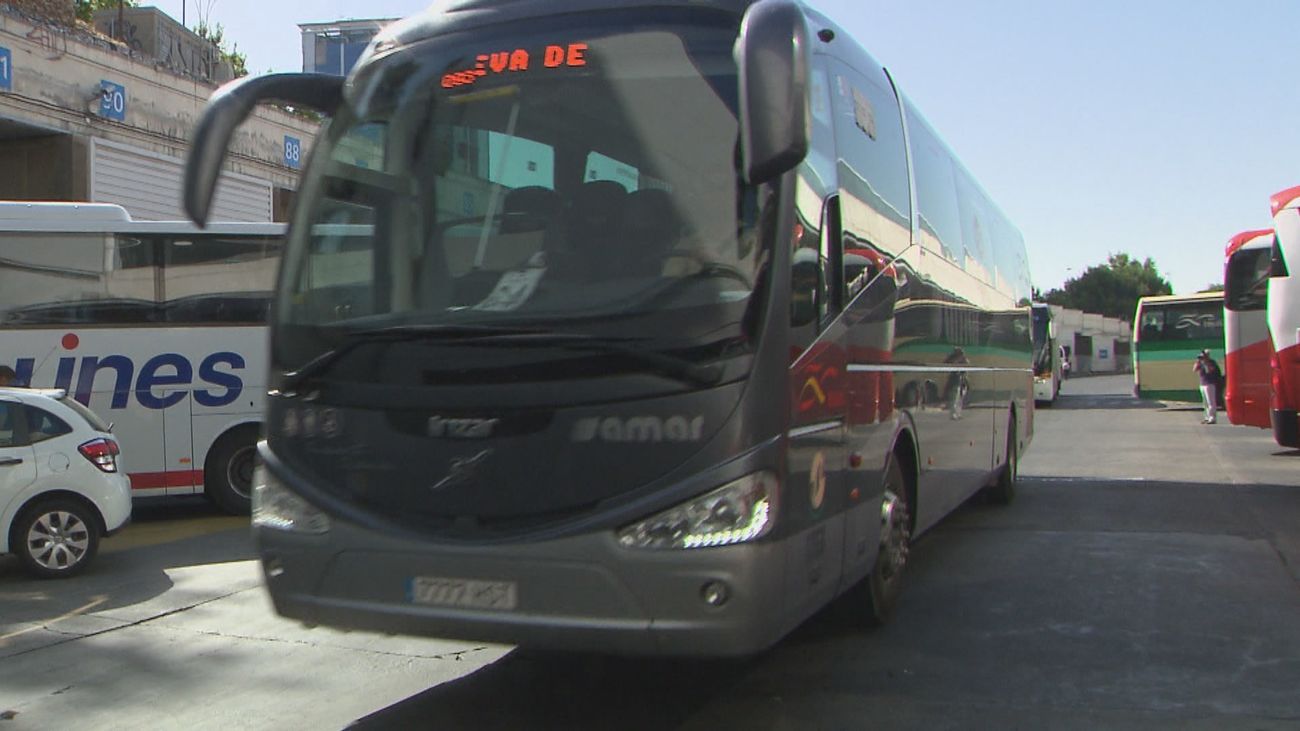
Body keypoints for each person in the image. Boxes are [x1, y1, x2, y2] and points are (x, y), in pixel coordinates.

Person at [1192, 349, 1221, 424]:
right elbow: (1194, 370)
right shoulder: (1200, 363)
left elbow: (1210, 370)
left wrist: (1206, 363)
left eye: (1203, 356)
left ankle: (1212, 418)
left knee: (1211, 402)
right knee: (1205, 403)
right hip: (1202, 384)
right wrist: (1198, 362)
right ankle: (1207, 417)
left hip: (1210, 384)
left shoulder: (1211, 362)